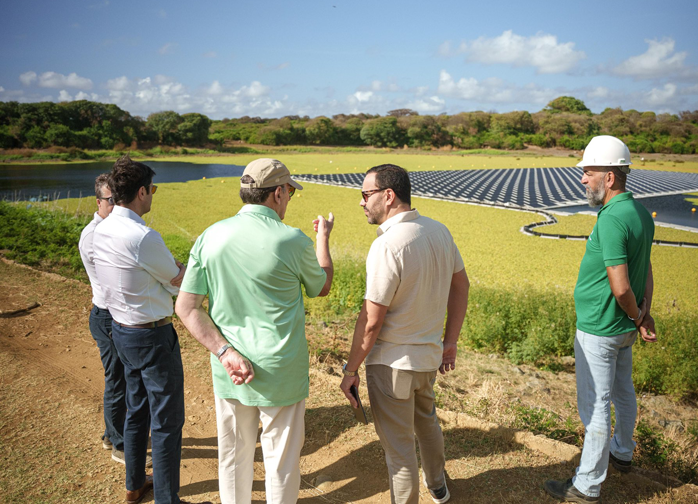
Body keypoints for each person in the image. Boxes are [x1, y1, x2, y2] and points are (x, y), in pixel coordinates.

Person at [175, 158, 335, 504]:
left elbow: (186, 308)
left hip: (230, 368)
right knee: (282, 460)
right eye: (290, 191)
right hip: (282, 369)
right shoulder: (291, 240)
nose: (289, 198)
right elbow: (321, 286)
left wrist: (225, 352)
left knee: (233, 454)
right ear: (277, 193)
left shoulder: (210, 235)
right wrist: (323, 237)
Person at [339, 164, 470, 504]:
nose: (362, 203)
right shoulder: (439, 231)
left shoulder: (387, 246)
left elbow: (371, 321)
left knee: (399, 450)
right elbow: (461, 285)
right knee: (427, 424)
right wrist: (450, 340)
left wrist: (350, 370)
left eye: (366, 195)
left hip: (391, 364)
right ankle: (438, 485)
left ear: (388, 195)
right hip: (427, 359)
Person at [544, 136, 656, 503]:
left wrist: (633, 310)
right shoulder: (639, 213)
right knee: (623, 393)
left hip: (601, 328)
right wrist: (643, 315)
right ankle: (622, 452)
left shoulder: (611, 219)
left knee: (595, 405)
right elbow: (647, 268)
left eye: (587, 172)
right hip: (623, 328)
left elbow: (622, 286)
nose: (582, 180)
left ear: (609, 177)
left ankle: (586, 486)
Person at [93, 155, 203, 504]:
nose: (153, 195)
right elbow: (177, 281)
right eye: (152, 189)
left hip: (121, 329)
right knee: (167, 422)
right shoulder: (143, 236)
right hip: (153, 335)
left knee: (137, 409)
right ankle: (167, 500)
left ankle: (134, 482)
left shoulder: (102, 228)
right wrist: (184, 270)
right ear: (141, 192)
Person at [78, 172, 130, 463]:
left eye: (120, 199)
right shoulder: (94, 235)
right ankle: (120, 445)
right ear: (98, 201)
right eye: (112, 201)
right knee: (118, 380)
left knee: (120, 378)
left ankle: (112, 434)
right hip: (107, 317)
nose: (117, 205)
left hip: (113, 315)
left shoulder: (110, 229)